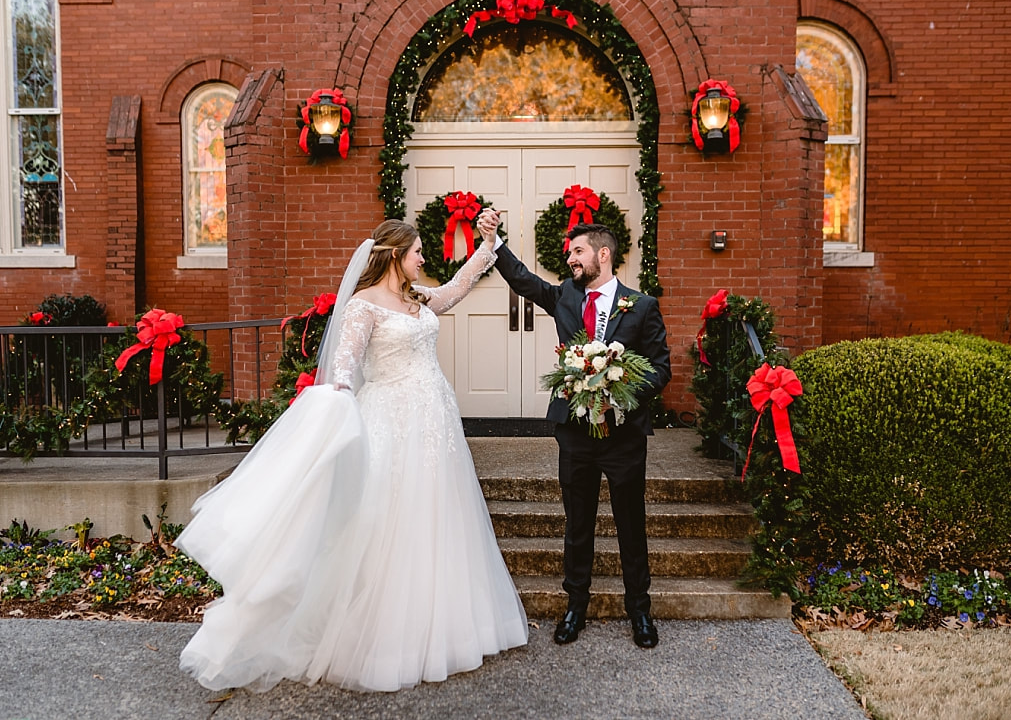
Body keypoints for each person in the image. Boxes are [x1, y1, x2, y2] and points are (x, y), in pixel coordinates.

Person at [175, 219, 528, 693]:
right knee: (384, 520)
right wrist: (336, 392)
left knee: (436, 517)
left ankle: (440, 627)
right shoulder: (364, 306)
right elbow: (344, 363)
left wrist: (487, 248)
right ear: (394, 254)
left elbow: (454, 290)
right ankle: (382, 642)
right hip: (392, 421)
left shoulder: (417, 298)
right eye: (418, 251)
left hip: (435, 423)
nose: (423, 259)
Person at [476, 209, 671, 649]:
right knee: (577, 524)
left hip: (623, 438)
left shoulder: (641, 307)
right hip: (575, 436)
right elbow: (526, 282)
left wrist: (621, 390)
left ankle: (640, 612)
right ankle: (574, 608)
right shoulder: (565, 296)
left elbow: (661, 369)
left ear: (604, 254)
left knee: (630, 524)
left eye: (578, 252)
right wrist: (495, 242)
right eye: (570, 253)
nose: (571, 259)